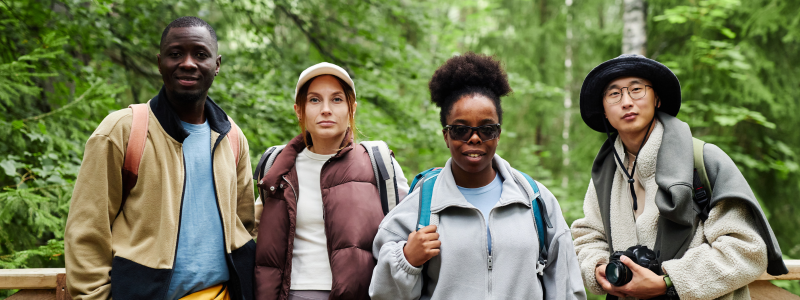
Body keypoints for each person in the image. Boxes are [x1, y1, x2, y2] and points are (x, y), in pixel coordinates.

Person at [64, 17, 256, 300]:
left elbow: (244, 224)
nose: (188, 63)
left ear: (216, 65)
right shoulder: (123, 131)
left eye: (200, 54)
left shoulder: (232, 137)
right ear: (159, 62)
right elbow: (87, 230)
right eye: (175, 54)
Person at [369, 53, 586, 300]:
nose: (474, 138)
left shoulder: (536, 200)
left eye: (486, 129)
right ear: (446, 136)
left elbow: (566, 289)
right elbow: (381, 294)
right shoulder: (420, 206)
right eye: (461, 130)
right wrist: (407, 260)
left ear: (498, 134)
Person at [571, 54, 788, 300]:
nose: (627, 102)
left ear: (657, 99)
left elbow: (746, 250)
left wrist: (668, 282)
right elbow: (588, 237)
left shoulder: (703, 160)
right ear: (604, 110)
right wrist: (598, 267)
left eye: (637, 90)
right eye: (614, 94)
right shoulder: (606, 174)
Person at [252, 62, 410, 300]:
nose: (326, 109)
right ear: (299, 110)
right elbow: (247, 230)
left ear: (352, 109)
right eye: (314, 100)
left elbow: (407, 233)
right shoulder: (278, 166)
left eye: (337, 99)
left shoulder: (379, 164)